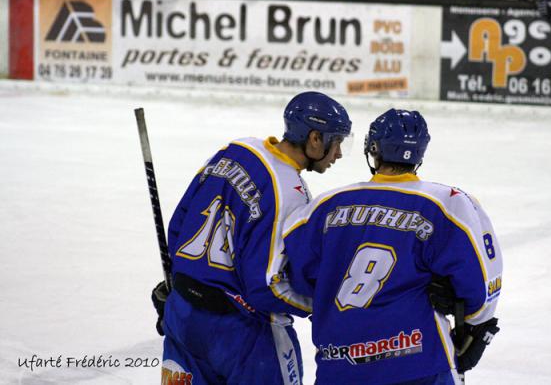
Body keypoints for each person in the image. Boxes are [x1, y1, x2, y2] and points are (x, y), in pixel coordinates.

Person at [278, 109, 502, 384]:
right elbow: (479, 286)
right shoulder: (446, 203)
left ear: (373, 150)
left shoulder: (324, 206)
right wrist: (476, 324)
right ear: (420, 153)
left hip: (340, 364)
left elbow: (297, 278)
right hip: (418, 363)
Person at [151, 92, 352, 385]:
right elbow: (267, 287)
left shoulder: (235, 150)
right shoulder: (290, 193)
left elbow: (180, 222)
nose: (339, 153)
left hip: (183, 316)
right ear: (314, 138)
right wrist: (325, 303)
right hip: (242, 335)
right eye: (337, 141)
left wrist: (183, 283)